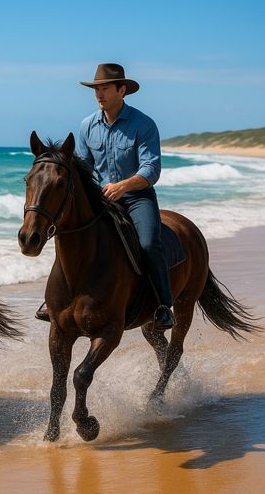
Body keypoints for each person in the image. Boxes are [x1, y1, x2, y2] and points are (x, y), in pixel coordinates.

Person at [36, 63, 175, 331]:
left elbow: (151, 168)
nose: (99, 94)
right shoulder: (87, 125)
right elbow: (84, 168)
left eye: (105, 89)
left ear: (121, 90)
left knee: (148, 244)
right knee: (69, 235)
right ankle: (55, 301)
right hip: (101, 199)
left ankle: (162, 306)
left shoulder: (143, 124)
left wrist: (124, 185)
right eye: (96, 90)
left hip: (137, 198)